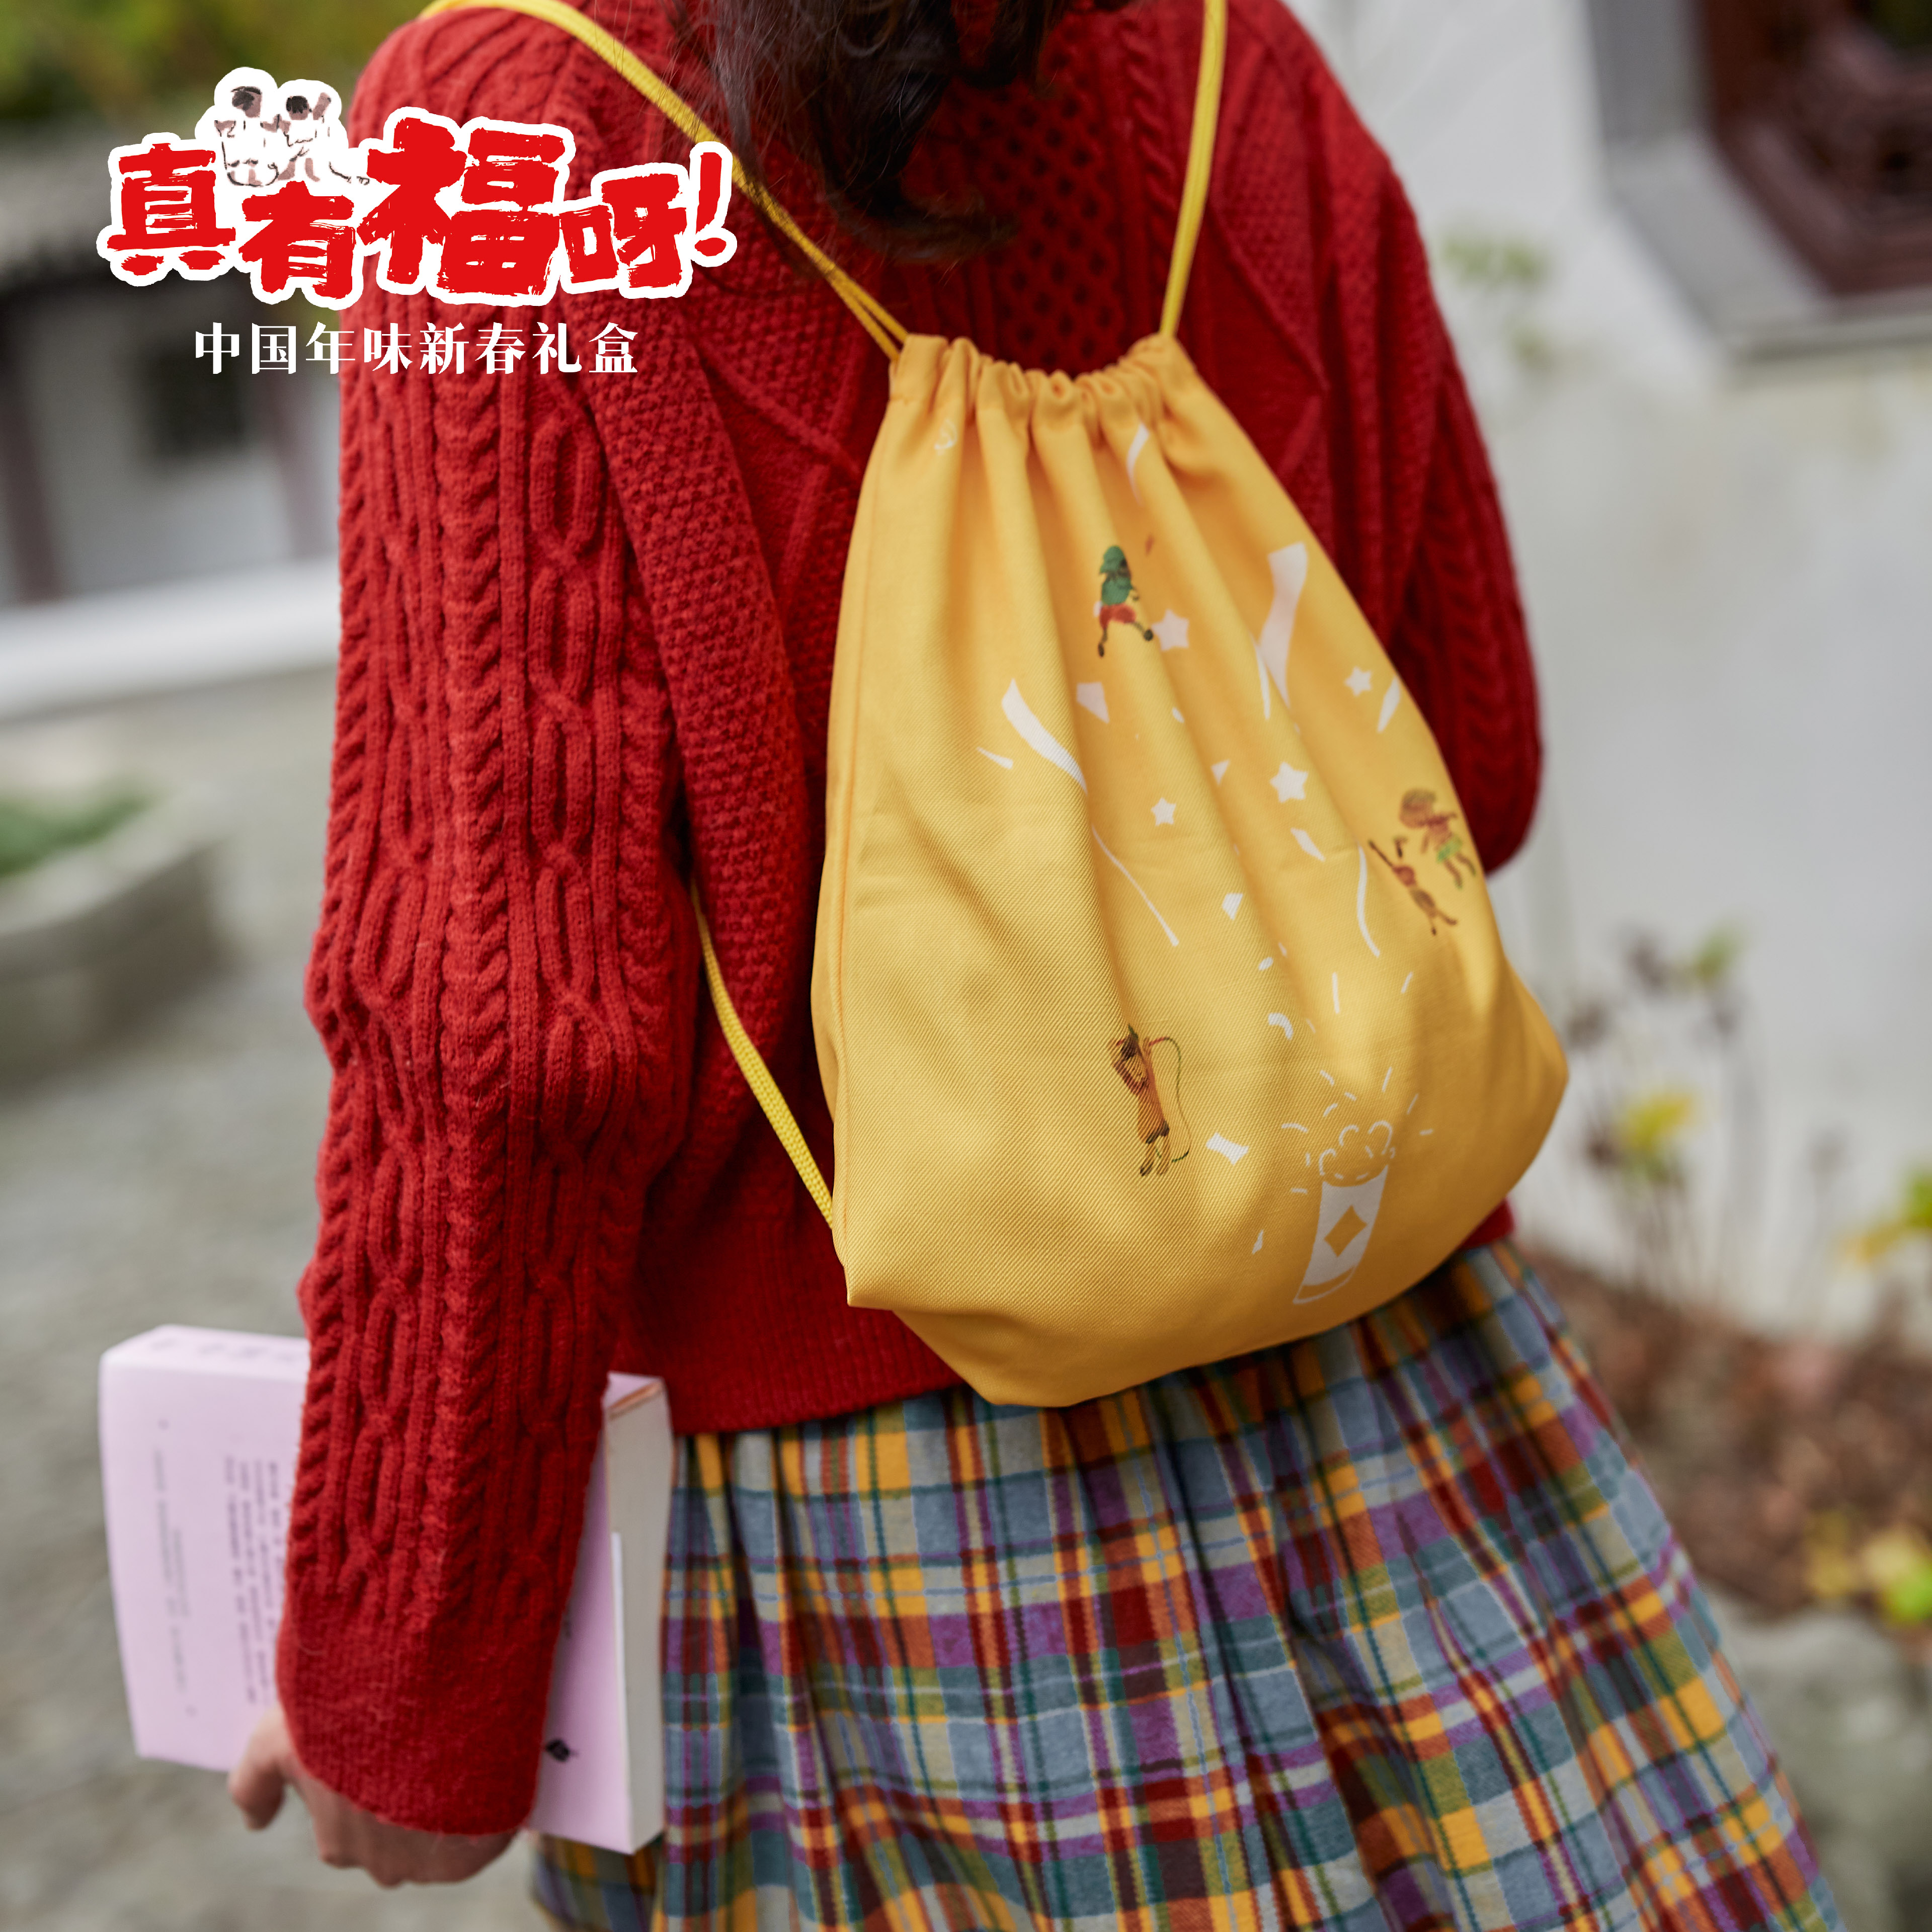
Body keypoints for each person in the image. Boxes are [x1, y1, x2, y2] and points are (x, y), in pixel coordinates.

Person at [228, 0, 1844, 1925]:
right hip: (1406, 1415)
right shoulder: (1237, 57)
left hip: (899, 1555)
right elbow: (1470, 755)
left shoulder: (510, 117)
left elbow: (506, 1035)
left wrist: (408, 1685)